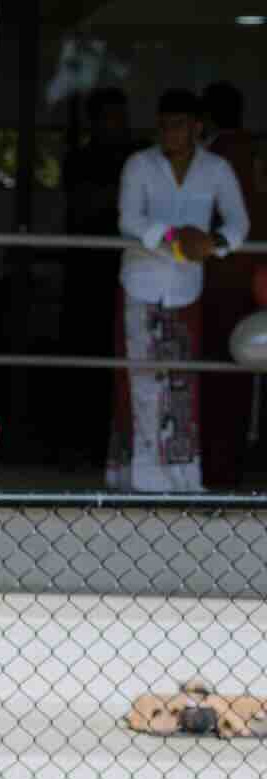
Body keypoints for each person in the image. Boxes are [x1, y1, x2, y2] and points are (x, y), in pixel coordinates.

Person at [109, 89, 249, 493]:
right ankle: (137, 479)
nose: (170, 132)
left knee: (180, 384)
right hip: (140, 284)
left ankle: (183, 480)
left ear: (196, 127)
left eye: (178, 125)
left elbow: (238, 224)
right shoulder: (140, 164)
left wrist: (214, 243)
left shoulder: (217, 169)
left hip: (186, 289)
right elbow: (129, 219)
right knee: (140, 379)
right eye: (164, 125)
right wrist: (173, 237)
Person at [61, 88, 135, 464]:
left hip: (128, 270)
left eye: (121, 116)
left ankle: (117, 446)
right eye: (111, 116)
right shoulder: (82, 158)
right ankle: (78, 445)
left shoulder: (136, 156)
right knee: (83, 356)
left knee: (123, 357)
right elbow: (84, 203)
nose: (118, 124)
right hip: (86, 270)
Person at [199, 81, 262, 488]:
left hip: (222, 277)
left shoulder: (216, 158)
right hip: (257, 275)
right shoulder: (254, 152)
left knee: (219, 375)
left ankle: (220, 466)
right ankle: (236, 460)